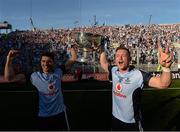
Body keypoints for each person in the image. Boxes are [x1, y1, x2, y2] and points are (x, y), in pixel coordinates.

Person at [100, 42, 173, 131]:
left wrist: (166, 68)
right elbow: (104, 63)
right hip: (115, 119)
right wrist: (101, 48)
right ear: (115, 59)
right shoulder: (114, 70)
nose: (120, 57)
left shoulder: (138, 75)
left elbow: (163, 84)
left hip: (132, 124)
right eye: (117, 55)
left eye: (124, 55)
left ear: (130, 59)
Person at [4, 47, 77, 131]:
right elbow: (9, 78)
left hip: (60, 114)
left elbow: (73, 59)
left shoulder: (59, 72)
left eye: (49, 61)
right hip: (43, 116)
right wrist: (9, 60)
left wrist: (72, 49)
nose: (46, 64)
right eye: (43, 61)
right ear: (40, 62)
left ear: (53, 63)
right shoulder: (34, 76)